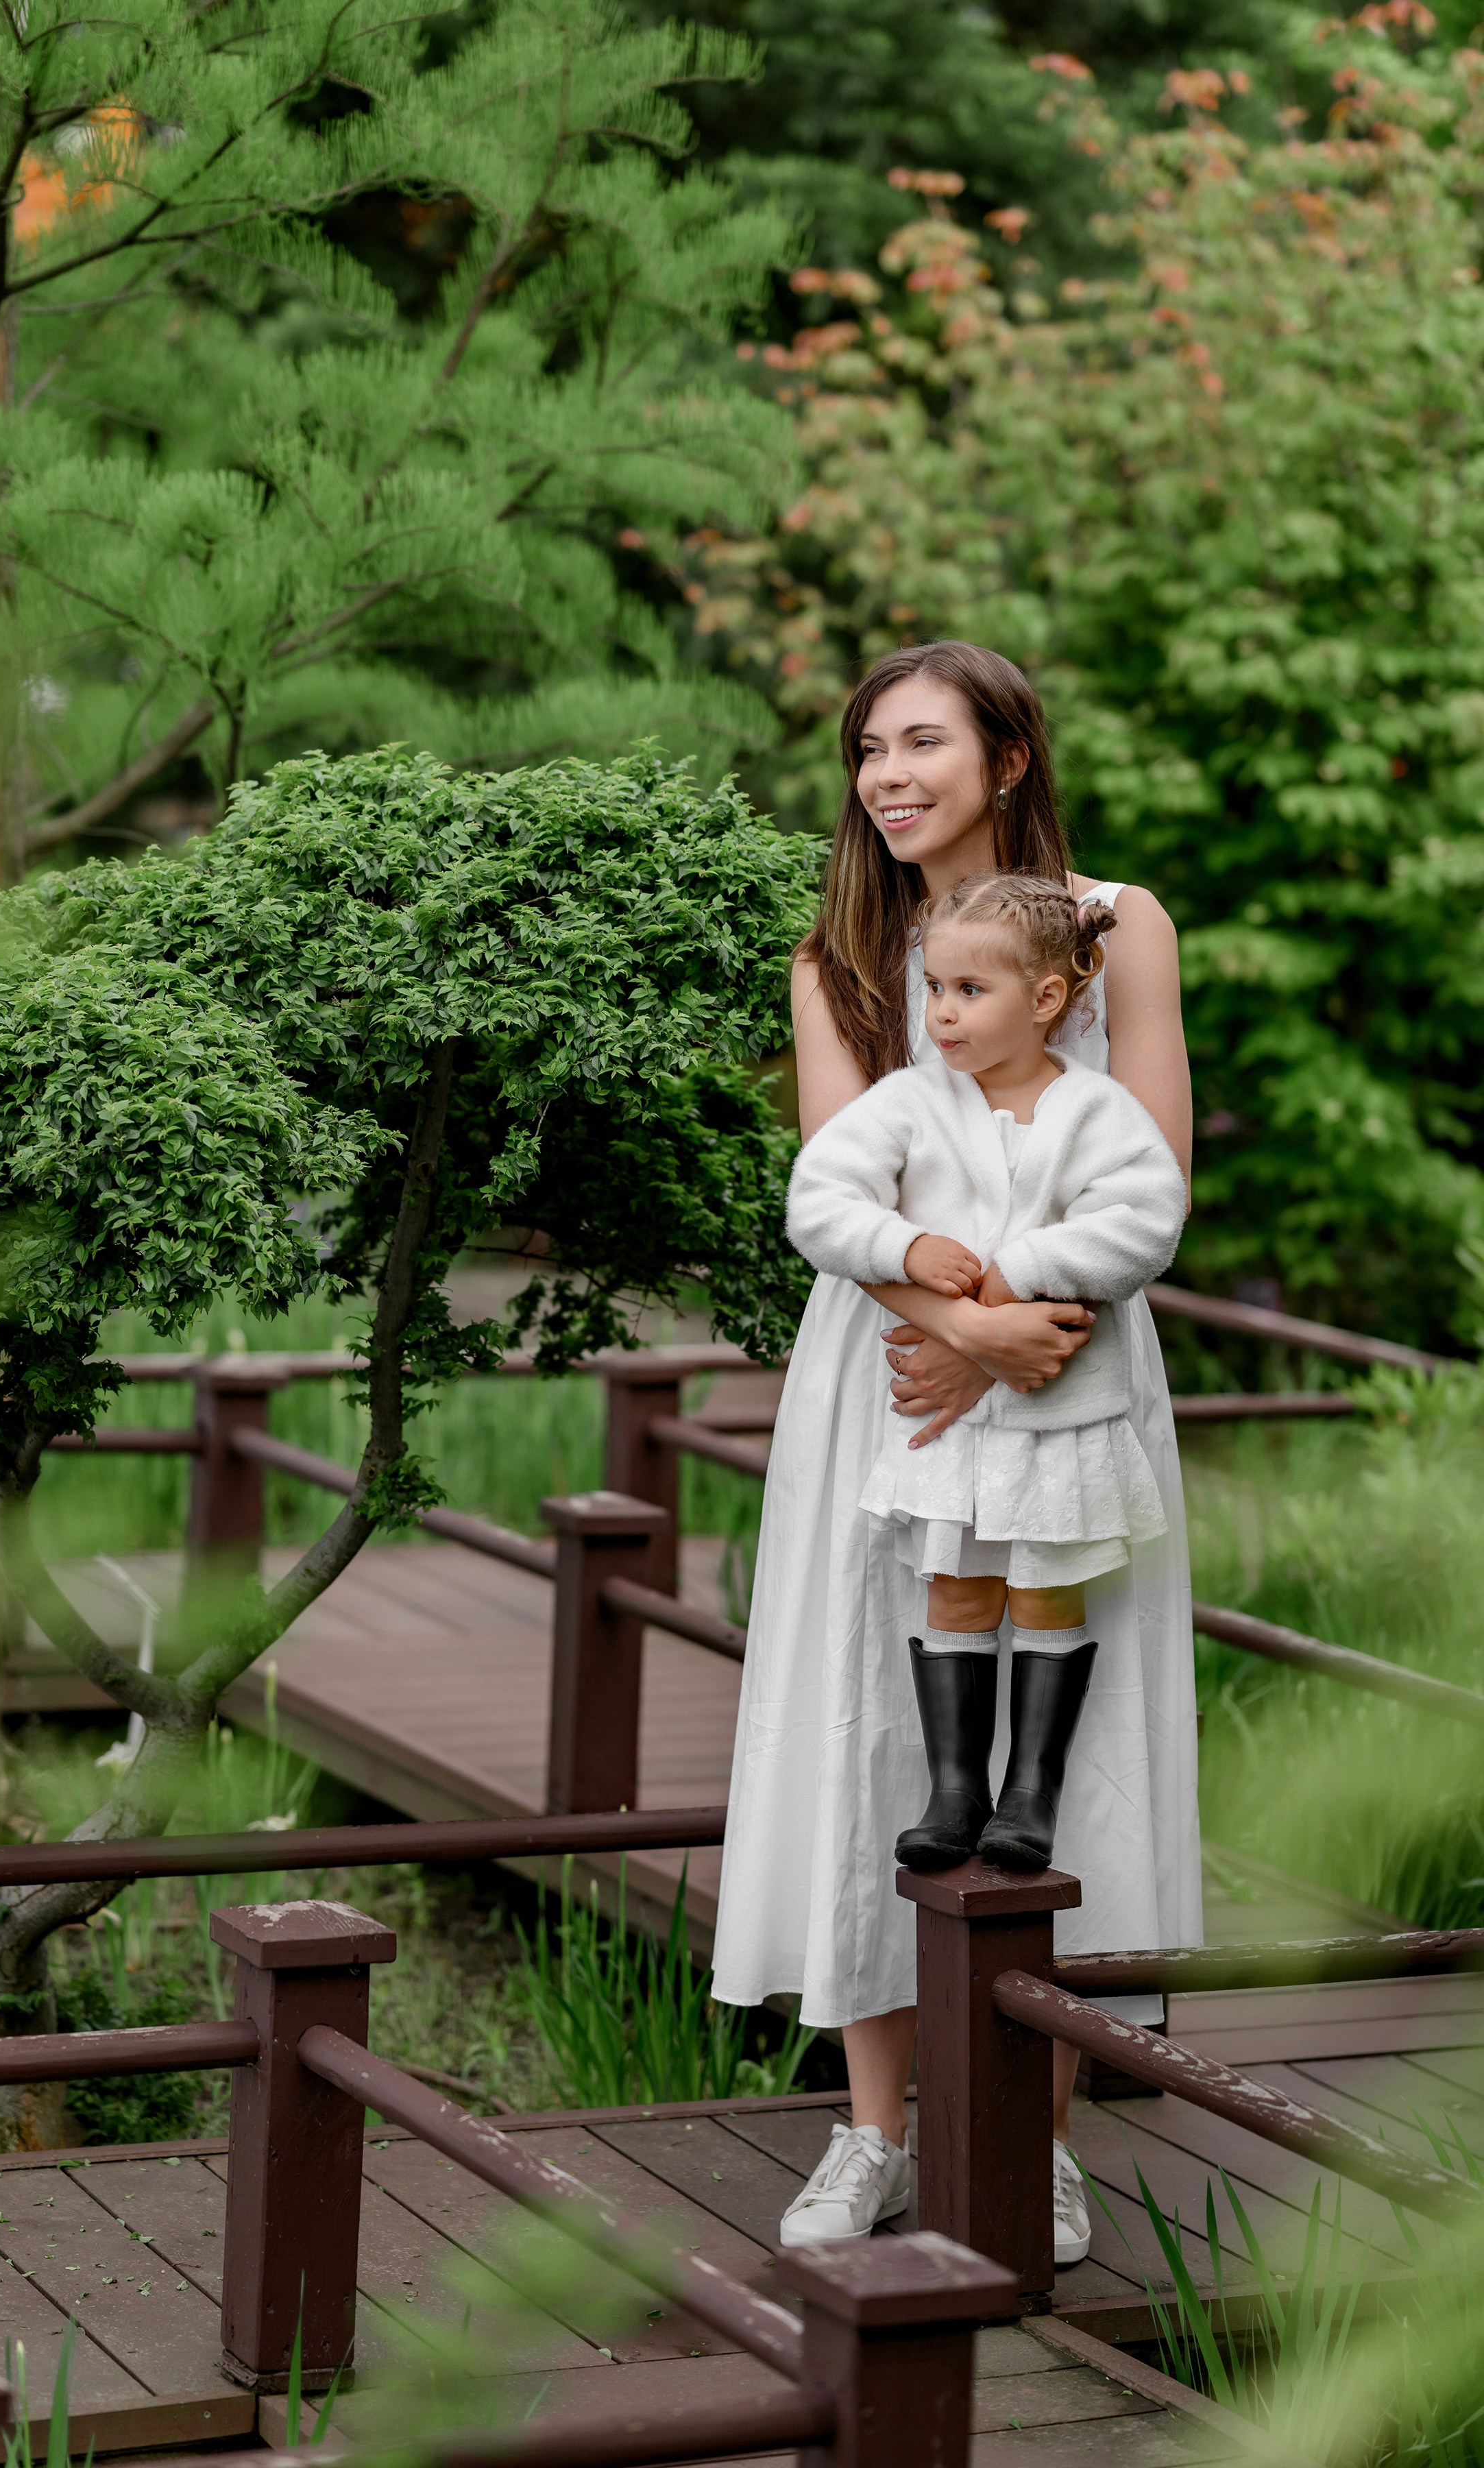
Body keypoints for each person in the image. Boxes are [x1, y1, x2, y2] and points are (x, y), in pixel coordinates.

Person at [709, 641, 1200, 2267]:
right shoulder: (843, 952)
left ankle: (1036, 2141)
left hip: (1072, 1354)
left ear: (1005, 754)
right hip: (890, 1369)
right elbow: (841, 1188)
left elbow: (1154, 1162)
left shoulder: (1121, 926)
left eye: (922, 741)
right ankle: (867, 2132)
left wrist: (1020, 1324)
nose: (886, 774)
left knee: (1066, 1737)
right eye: (866, 749)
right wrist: (958, 1321)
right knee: (875, 1723)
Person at [787, 871, 1187, 1874]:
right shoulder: (909, 1105)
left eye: (971, 991)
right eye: (936, 990)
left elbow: (1146, 1223)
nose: (944, 1014)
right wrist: (908, 1246)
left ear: (1047, 999)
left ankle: (1032, 1792)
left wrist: (1017, 1276)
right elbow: (819, 1200)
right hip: (946, 1427)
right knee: (958, 1587)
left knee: (1049, 1589)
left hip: (1062, 1418)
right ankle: (955, 1787)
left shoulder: (1096, 1112)